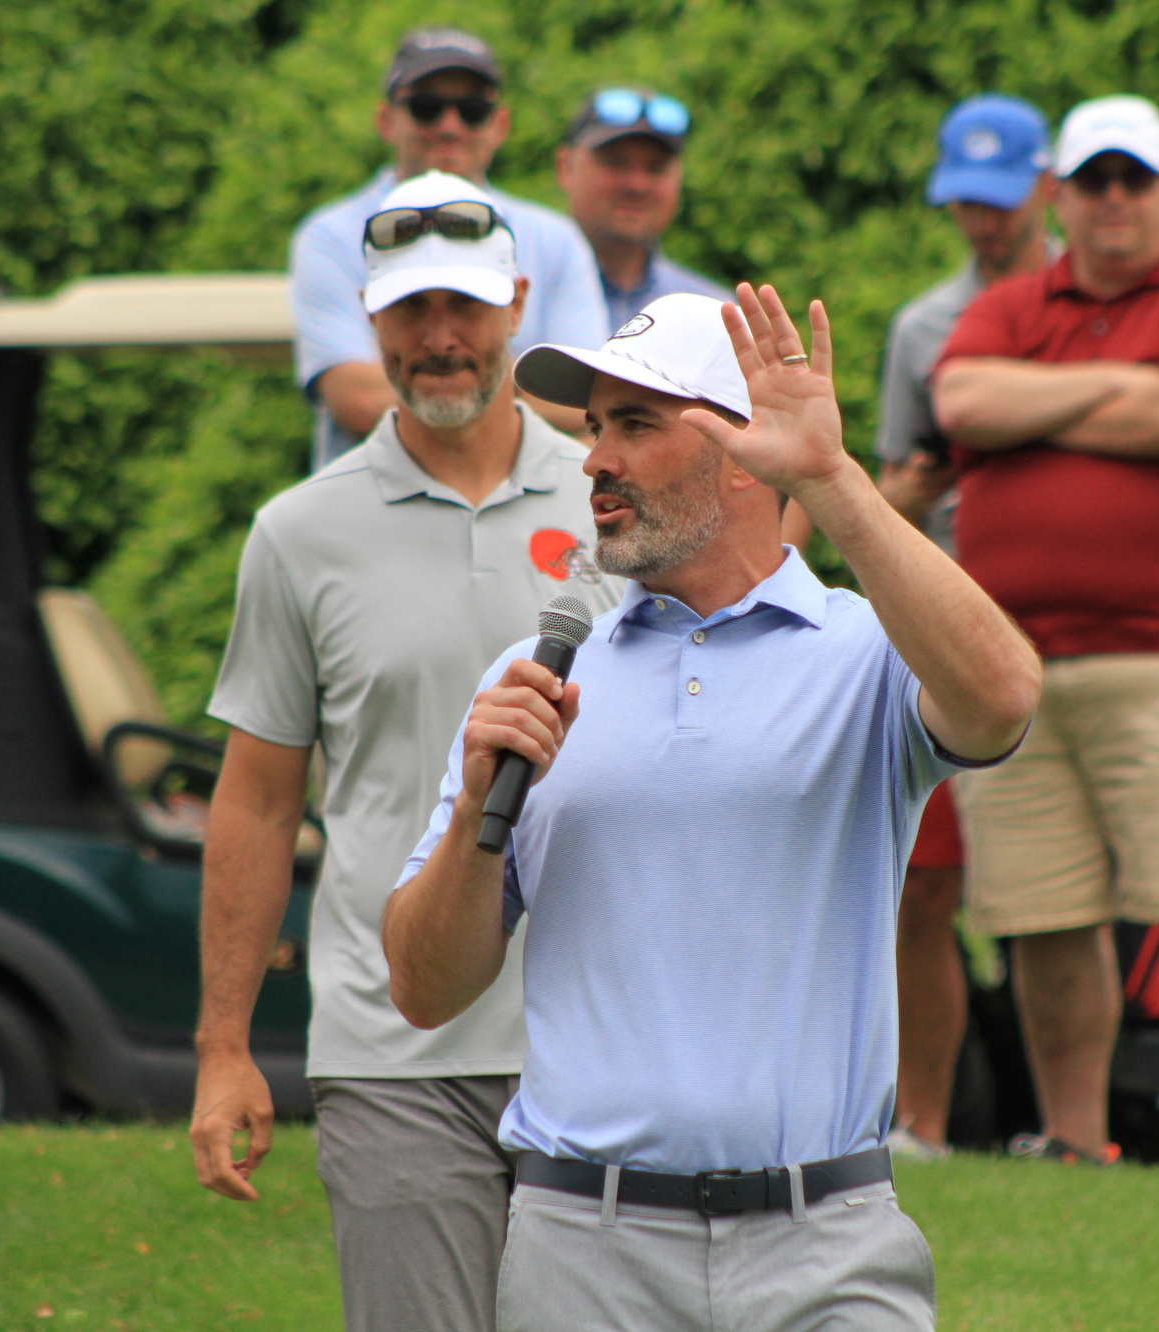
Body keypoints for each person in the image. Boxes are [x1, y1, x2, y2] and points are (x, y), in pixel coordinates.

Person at [383, 286, 1042, 1331]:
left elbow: (1004, 697)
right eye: (594, 427)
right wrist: (475, 806)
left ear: (745, 454)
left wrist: (828, 477)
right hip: (579, 1249)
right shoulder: (532, 678)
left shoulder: (865, 653)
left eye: (636, 425)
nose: (593, 459)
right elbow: (421, 988)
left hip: (828, 1240)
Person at [190, 171, 621, 1332]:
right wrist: (223, 1047)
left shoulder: (613, 505)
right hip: (393, 1052)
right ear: (366, 320)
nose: (440, 340)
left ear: (519, 306)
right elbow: (257, 801)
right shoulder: (297, 532)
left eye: (466, 309)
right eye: (410, 312)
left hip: (600, 1045)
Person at [931, 94, 1159, 1184]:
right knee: (1043, 917)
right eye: (1093, 182)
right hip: (1019, 670)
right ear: (1060, 197)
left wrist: (1037, 405)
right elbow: (959, 398)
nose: (1114, 201)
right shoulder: (1004, 306)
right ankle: (1076, 1138)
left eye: (1136, 180)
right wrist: (1127, 387)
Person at [870, 94, 1059, 1162]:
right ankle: (922, 1124)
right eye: (962, 206)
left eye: (997, 204)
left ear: (1045, 189)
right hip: (948, 630)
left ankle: (1068, 1124)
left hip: (1060, 629)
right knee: (924, 885)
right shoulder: (923, 328)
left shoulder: (1097, 305)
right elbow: (902, 485)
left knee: (1050, 896)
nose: (980, 226)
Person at [290, 26, 610, 469]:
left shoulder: (555, 238)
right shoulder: (329, 235)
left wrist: (442, 379)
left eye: (473, 109)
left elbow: (589, 401)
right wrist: (499, 374)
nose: (449, 125)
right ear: (386, 120)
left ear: (500, 124)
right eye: (426, 107)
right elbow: (358, 401)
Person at [554, 86, 733, 330]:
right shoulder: (514, 290)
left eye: (656, 167)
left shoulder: (716, 317)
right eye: (615, 162)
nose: (636, 185)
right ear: (566, 168)